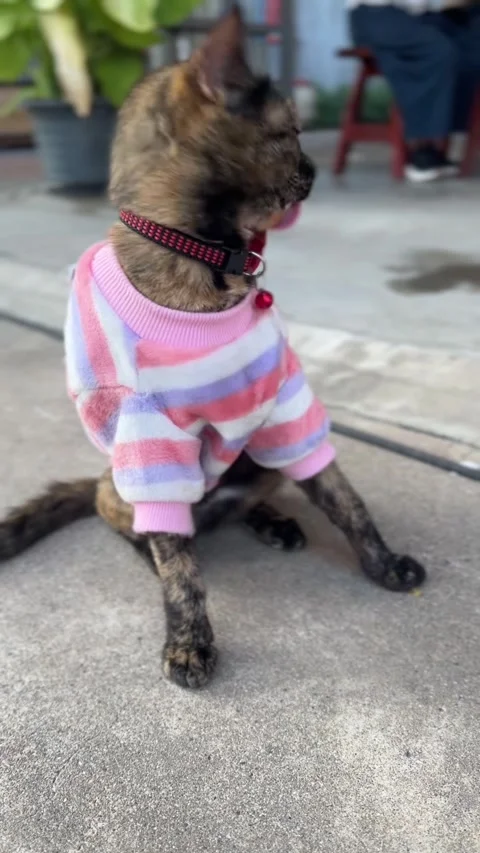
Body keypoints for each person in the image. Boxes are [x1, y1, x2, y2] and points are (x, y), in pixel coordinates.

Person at [347, 0, 480, 181]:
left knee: (470, 37)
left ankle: (456, 131)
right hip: (376, 15)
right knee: (437, 50)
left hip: (418, 17)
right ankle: (422, 148)